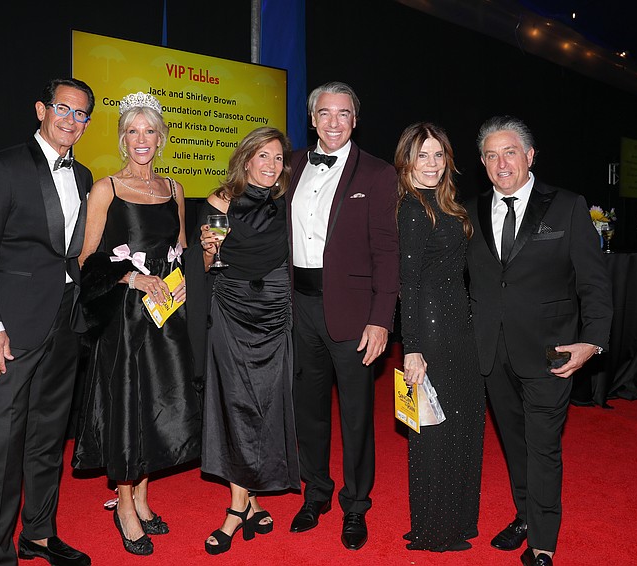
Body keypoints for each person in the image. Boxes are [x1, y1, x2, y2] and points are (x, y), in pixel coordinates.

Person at [467, 116, 612, 566]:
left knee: (543, 444)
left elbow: (594, 282)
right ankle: (526, 514)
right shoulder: (470, 212)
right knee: (514, 442)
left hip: (552, 350)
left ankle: (542, 542)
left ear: (530, 156)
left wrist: (593, 341)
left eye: (509, 152)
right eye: (491, 155)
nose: (500, 162)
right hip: (491, 350)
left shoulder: (567, 206)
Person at [0, 77, 94, 566]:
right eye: (64, 108)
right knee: (2, 447)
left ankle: (37, 535)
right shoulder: (2, 167)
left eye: (82, 114)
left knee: (47, 437)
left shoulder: (83, 176)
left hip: (63, 323)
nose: (71, 120)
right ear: (42, 109)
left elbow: (71, 253)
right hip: (10, 330)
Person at [70, 91, 201, 557]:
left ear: (160, 138)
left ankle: (144, 498)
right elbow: (85, 259)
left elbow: (181, 251)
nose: (141, 140)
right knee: (128, 405)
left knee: (158, 404)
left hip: (167, 318)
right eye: (132, 132)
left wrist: (185, 283)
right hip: (125, 318)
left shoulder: (174, 190)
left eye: (149, 131)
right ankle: (125, 505)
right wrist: (131, 276)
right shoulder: (105, 189)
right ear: (123, 140)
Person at [286, 81, 399, 551]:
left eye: (344, 114)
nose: (334, 122)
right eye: (325, 113)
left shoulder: (377, 173)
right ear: (312, 119)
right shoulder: (289, 164)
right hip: (298, 307)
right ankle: (315, 493)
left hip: (354, 314)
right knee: (308, 412)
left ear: (355, 120)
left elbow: (388, 252)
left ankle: (356, 505)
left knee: (355, 415)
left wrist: (381, 318)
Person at [184, 127, 301, 555]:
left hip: (275, 312)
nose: (270, 166)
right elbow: (207, 265)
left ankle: (248, 499)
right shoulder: (219, 202)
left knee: (265, 406)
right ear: (247, 159)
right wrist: (208, 248)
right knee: (235, 404)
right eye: (263, 157)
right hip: (232, 311)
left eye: (277, 158)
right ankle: (239, 506)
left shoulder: (289, 203)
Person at [395, 122, 485, 552]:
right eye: (422, 155)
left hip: (459, 326)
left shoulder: (447, 203)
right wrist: (410, 347)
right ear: (407, 161)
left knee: (464, 423)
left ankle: (459, 520)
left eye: (438, 155)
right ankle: (435, 528)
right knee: (437, 429)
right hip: (431, 330)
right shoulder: (413, 209)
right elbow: (407, 283)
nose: (431, 164)